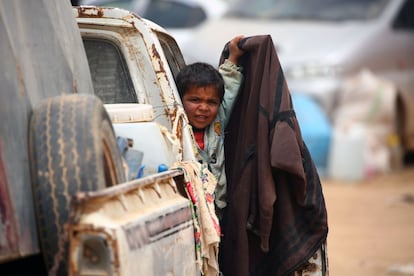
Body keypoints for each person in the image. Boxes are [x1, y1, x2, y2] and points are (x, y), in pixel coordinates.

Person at [176, 35, 245, 220]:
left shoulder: (217, 121)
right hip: (187, 213)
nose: (204, 108)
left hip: (217, 209)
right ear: (179, 100)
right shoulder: (173, 129)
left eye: (211, 102)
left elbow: (229, 88)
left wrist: (233, 57)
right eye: (195, 100)